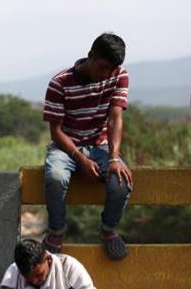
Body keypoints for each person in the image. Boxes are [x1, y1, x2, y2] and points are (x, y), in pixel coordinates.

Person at [41, 32, 134, 260]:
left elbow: (115, 119)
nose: (106, 75)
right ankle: (56, 231)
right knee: (55, 178)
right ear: (91, 55)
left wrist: (113, 158)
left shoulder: (118, 76)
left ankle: (108, 230)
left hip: (99, 145)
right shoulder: (59, 83)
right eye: (103, 67)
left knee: (121, 183)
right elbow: (56, 131)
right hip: (66, 146)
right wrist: (80, 159)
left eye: (111, 69)